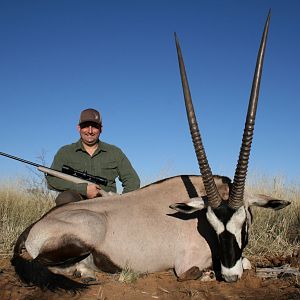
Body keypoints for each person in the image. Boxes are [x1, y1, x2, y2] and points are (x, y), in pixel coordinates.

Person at [47, 108, 140, 206]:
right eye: (85, 126)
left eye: (95, 126)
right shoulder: (65, 152)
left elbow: (132, 181)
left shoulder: (114, 152)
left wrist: (121, 203)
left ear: (101, 129)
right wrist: (82, 189)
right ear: (78, 128)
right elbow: (52, 180)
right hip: (77, 203)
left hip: (107, 204)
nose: (90, 131)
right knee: (65, 198)